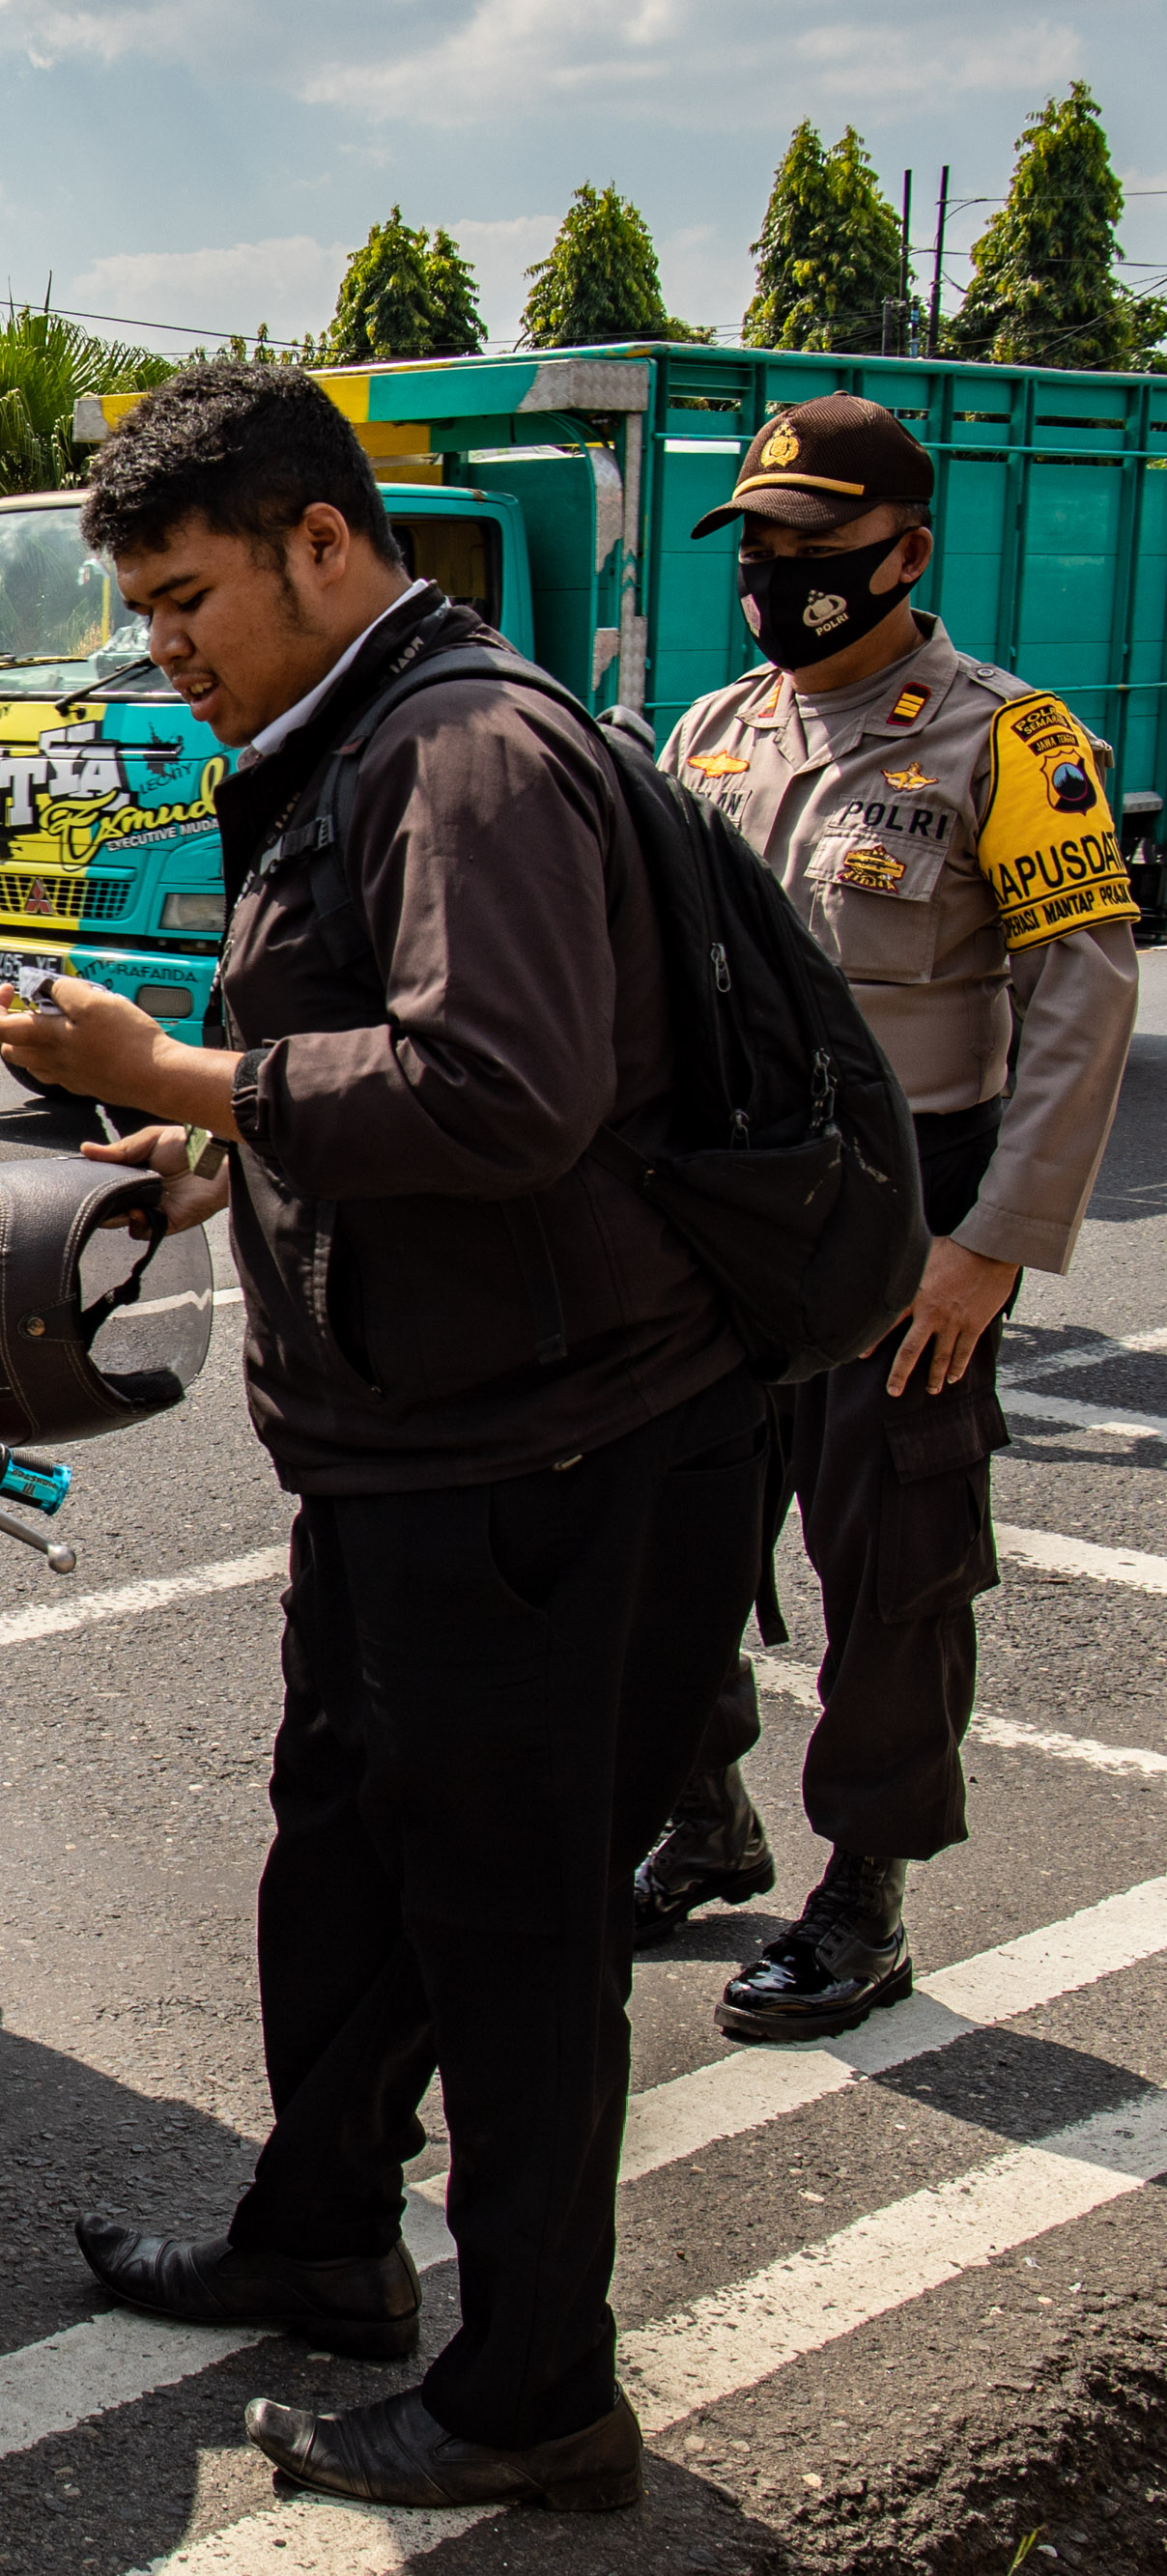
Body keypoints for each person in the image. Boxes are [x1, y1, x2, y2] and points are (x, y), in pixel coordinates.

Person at [0, 364, 764, 2512]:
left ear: (323, 542)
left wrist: (181, 1067)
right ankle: (318, 2231)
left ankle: (535, 2391)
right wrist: (200, 1145)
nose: (162, 645)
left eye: (182, 596)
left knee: (508, 1932)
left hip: (528, 1459)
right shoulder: (354, 737)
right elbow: (385, 1067)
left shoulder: (465, 752)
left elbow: (500, 1097)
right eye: (140, 609)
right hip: (398, 1451)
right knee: (342, 1856)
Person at [638, 397, 1138, 2038]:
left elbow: (1080, 1003)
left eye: (816, 549)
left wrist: (991, 1244)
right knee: (668, 1525)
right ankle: (701, 1818)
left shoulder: (1014, 743)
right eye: (760, 548)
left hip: (908, 1203)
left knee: (894, 1557)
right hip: (724, 1208)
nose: (779, 578)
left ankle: (864, 1890)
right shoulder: (708, 733)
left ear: (910, 551)